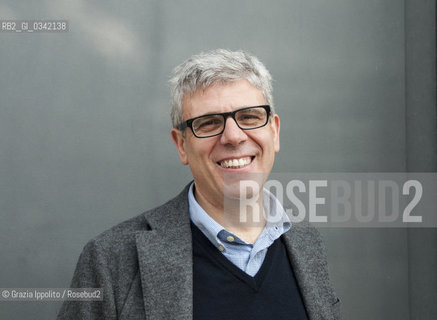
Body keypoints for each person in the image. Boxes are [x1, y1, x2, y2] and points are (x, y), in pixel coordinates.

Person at [57, 49, 340, 320]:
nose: (233, 136)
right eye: (208, 123)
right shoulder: (110, 260)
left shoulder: (307, 244)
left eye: (249, 117)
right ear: (181, 145)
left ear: (274, 132)